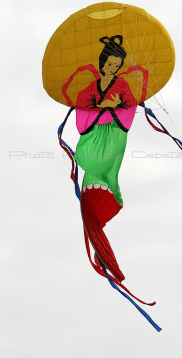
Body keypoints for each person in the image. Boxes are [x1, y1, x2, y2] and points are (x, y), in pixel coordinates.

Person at [62, 35, 148, 282]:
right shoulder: (91, 87)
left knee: (105, 172)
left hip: (113, 135)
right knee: (91, 182)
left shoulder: (121, 85)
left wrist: (109, 105)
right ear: (102, 64)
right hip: (94, 136)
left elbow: (129, 105)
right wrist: (104, 104)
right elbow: (83, 107)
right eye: (109, 64)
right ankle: (98, 235)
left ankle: (98, 214)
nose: (112, 69)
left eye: (116, 66)